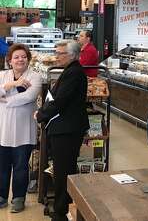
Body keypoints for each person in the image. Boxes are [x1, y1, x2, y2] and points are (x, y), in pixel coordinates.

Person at [35, 40, 88, 221]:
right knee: (64, 168)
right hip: (66, 128)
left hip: (68, 130)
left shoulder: (74, 73)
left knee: (63, 171)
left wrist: (41, 115)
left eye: (60, 53)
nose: (56, 56)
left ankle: (60, 212)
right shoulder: (71, 70)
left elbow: (60, 101)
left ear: (71, 55)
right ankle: (63, 206)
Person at [0, 44, 42, 213]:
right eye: (16, 57)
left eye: (23, 56)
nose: (20, 60)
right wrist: (13, 84)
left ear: (28, 59)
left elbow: (29, 96)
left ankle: (18, 198)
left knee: (20, 166)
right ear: (10, 61)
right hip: (3, 129)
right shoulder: (3, 75)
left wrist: (6, 100)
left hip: (24, 129)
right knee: (2, 166)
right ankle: (2, 196)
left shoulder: (35, 77)